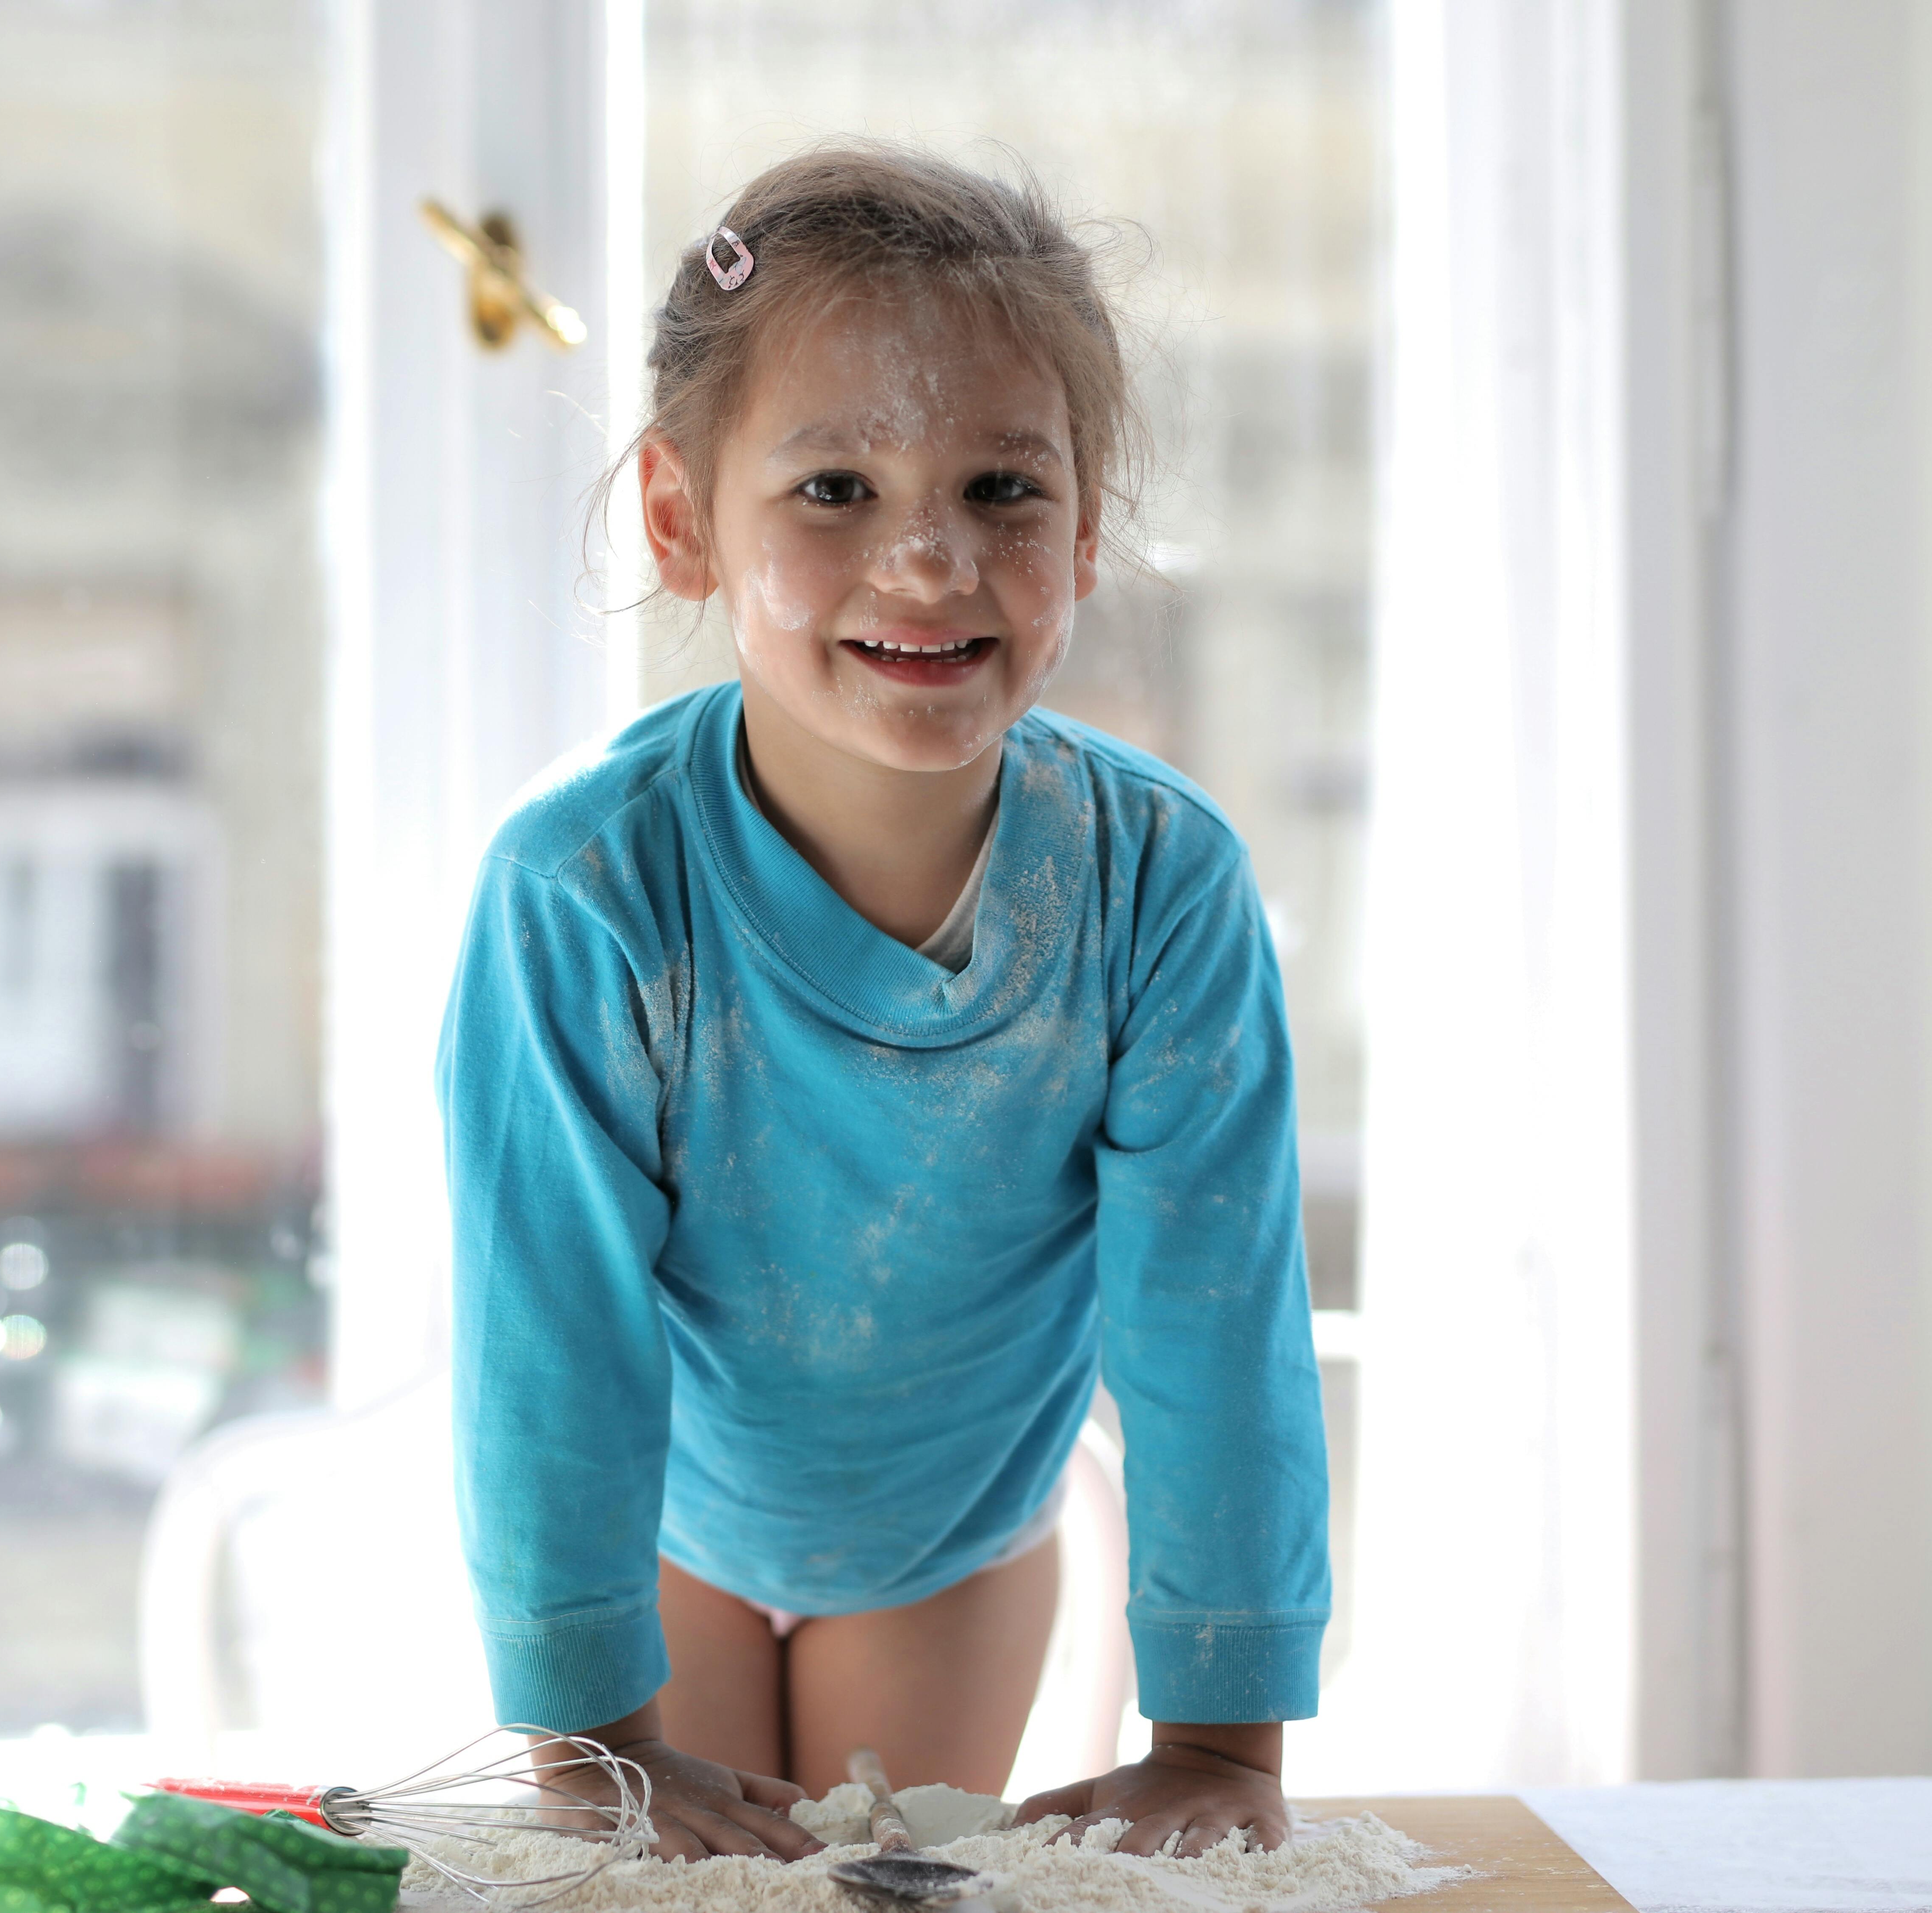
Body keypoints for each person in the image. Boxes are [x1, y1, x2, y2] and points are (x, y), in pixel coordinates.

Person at [436, 144, 1328, 1866]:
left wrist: (1223, 1738)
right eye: (834, 489)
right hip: (660, 1534)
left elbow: (1213, 1334)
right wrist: (586, 1736)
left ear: (1086, 533)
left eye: (1002, 488)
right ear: (684, 521)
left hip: (957, 1538)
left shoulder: (1158, 888)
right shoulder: (584, 893)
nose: (928, 562)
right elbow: (547, 1345)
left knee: (883, 1892)